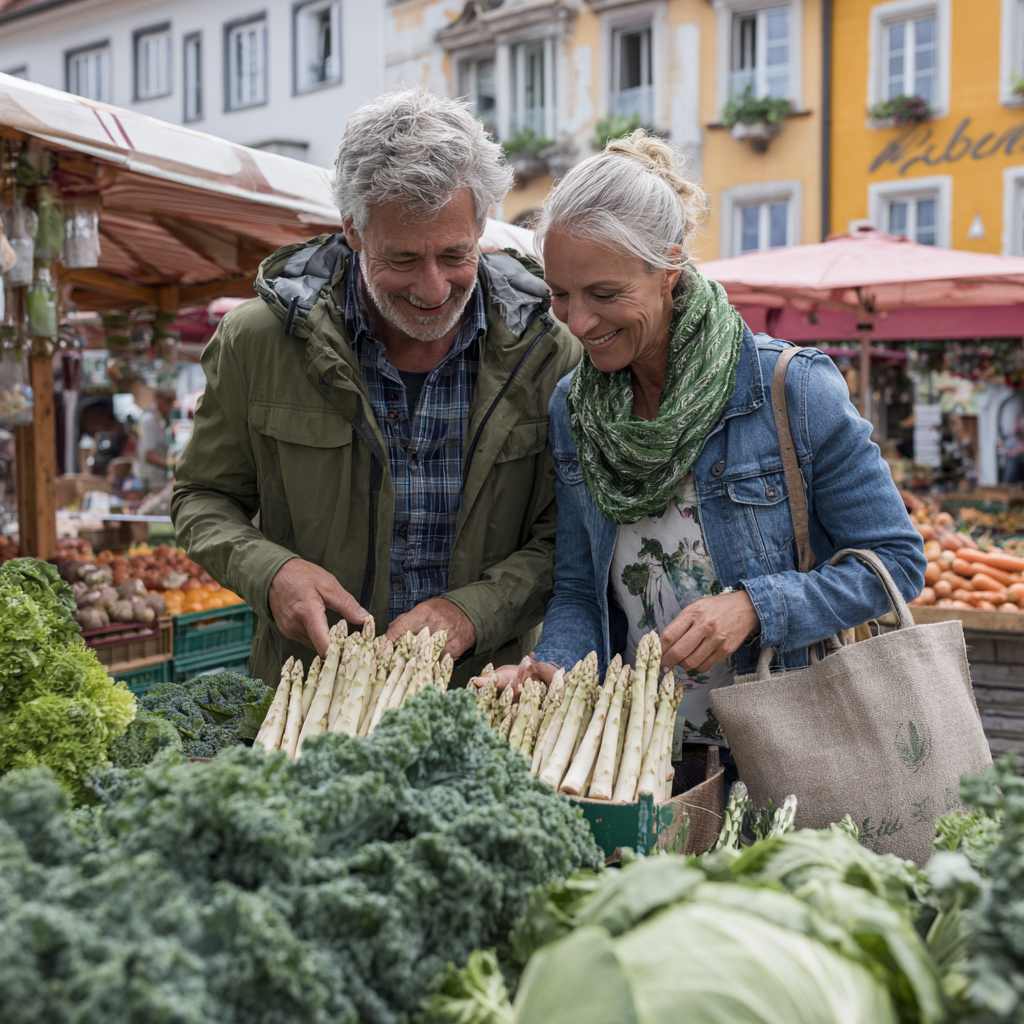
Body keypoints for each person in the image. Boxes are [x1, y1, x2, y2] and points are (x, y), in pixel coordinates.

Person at [487, 131, 926, 747]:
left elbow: (897, 564)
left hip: (784, 753)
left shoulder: (791, 389)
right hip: (633, 755)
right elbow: (581, 592)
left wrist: (756, 606)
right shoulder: (573, 408)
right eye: (560, 294)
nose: (579, 322)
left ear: (668, 269)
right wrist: (554, 669)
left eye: (605, 295)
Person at [171, 89, 580, 686]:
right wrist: (273, 572)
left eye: (454, 254)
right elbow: (201, 497)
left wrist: (473, 613)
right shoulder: (255, 342)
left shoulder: (552, 351)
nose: (435, 287)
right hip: (308, 703)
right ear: (353, 230)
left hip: (487, 703)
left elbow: (568, 536)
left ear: (483, 226)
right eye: (404, 259)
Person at [133, 388, 175, 492]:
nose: (171, 408)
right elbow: (149, 455)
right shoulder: (149, 421)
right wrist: (171, 464)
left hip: (158, 478)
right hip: (151, 480)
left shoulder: (159, 421)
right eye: (169, 404)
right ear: (159, 401)